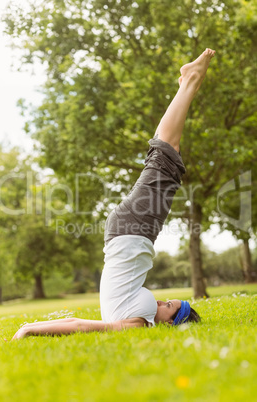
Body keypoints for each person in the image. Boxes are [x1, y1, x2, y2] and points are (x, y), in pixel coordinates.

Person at [12, 48, 215, 340]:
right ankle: (188, 82)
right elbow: (79, 321)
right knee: (167, 164)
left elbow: (79, 324)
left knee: (165, 160)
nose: (162, 301)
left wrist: (29, 330)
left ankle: (191, 81)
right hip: (133, 232)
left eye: (169, 306)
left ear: (171, 323)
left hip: (132, 230)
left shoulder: (137, 324)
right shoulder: (141, 317)